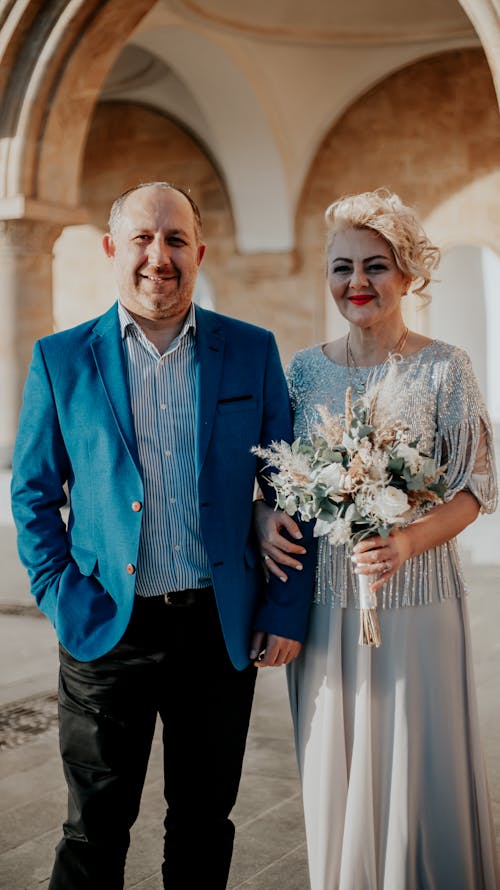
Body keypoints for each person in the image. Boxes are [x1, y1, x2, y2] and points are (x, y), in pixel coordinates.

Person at [10, 181, 316, 890]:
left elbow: (292, 488)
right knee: (93, 830)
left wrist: (284, 607)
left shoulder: (250, 350)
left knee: (205, 824)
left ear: (199, 252)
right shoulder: (61, 359)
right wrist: (61, 595)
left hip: (216, 627)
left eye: (175, 239)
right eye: (143, 239)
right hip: (104, 628)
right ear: (112, 249)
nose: (160, 256)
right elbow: (32, 494)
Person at [255, 189, 500, 889]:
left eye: (375, 266)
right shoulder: (303, 371)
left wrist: (407, 543)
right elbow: (280, 486)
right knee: (336, 760)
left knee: (419, 760)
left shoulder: (445, 367)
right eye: (341, 268)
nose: (356, 284)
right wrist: (260, 517)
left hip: (419, 600)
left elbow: (477, 489)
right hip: (328, 603)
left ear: (408, 274)